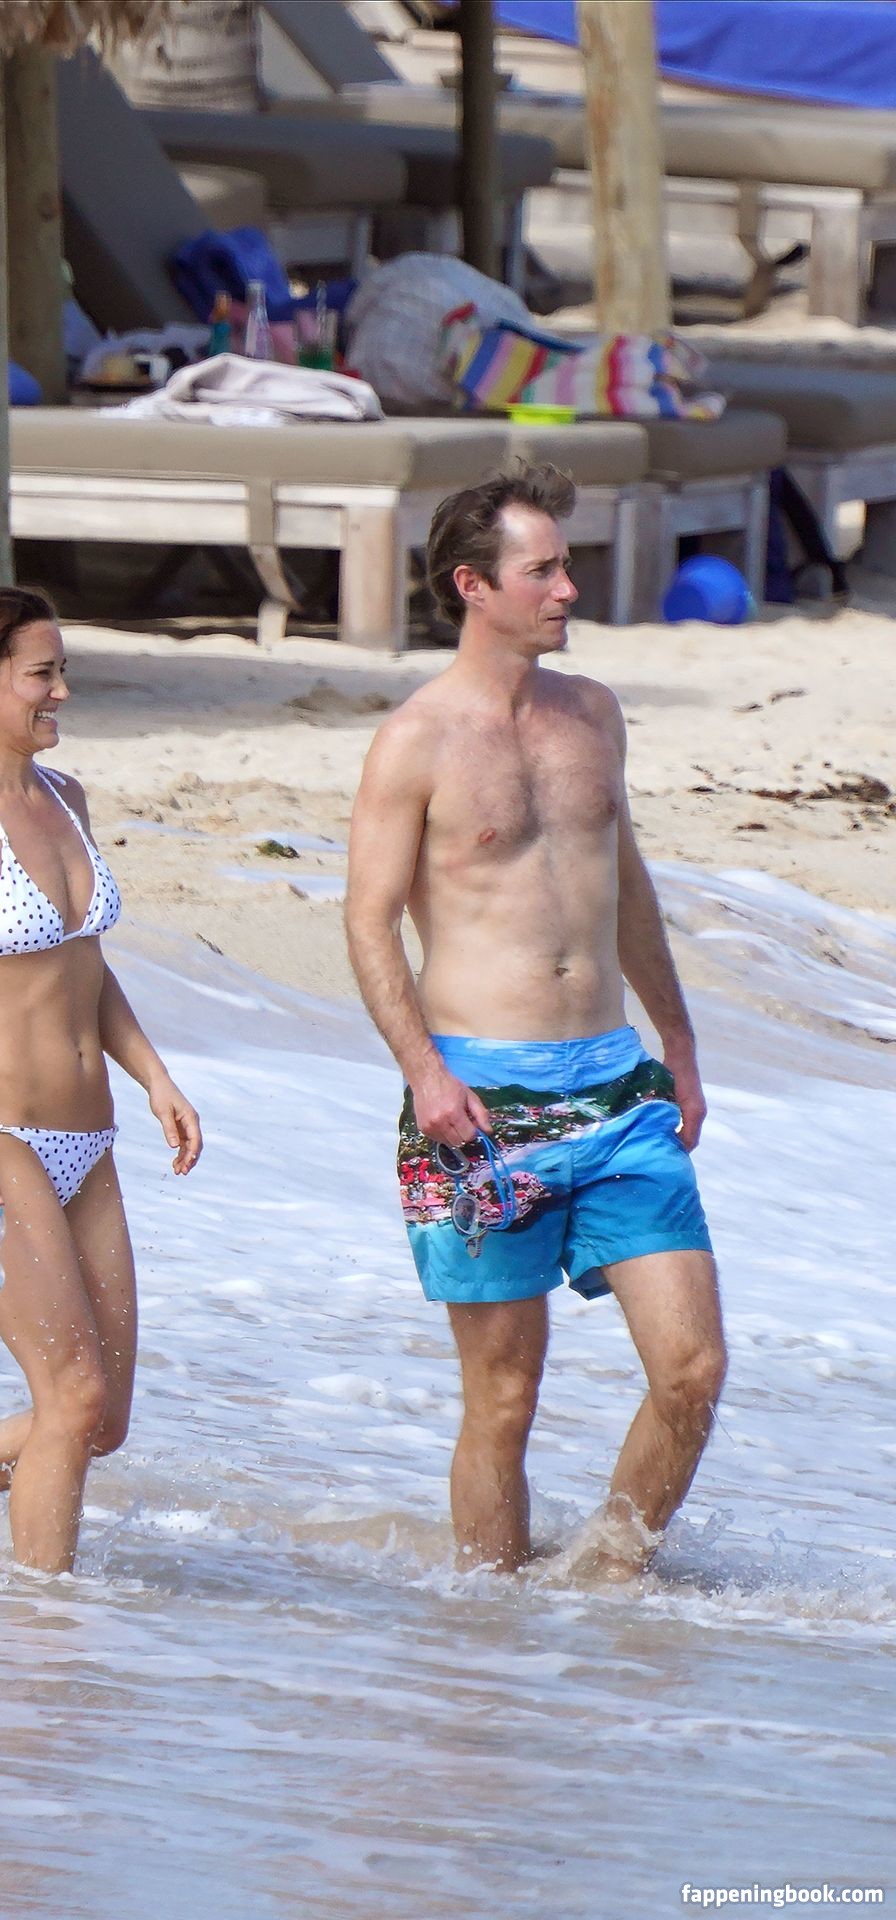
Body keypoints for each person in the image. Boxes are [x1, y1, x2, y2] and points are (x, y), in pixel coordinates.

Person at [345, 466, 724, 1579]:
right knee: (504, 1399)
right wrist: (425, 1074)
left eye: (566, 566)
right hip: (478, 1098)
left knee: (691, 1370)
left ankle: (606, 1579)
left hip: (616, 1089)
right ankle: (492, 1634)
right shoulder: (414, 740)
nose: (568, 589)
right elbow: (367, 923)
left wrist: (678, 1041)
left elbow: (626, 884)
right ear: (474, 586)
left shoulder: (592, 714)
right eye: (543, 570)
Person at [0, 584, 201, 1572]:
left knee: (102, 1420)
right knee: (72, 1397)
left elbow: (85, 972)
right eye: (41, 674)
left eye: (63, 672)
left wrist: (153, 1076)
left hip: (89, 1143)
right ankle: (41, 1629)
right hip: (0, 1142)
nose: (61, 691)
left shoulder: (66, 799)